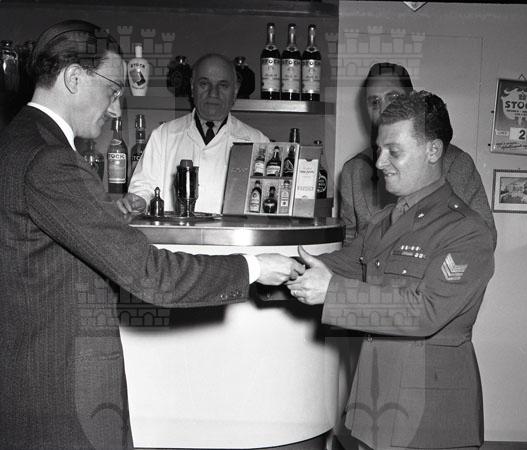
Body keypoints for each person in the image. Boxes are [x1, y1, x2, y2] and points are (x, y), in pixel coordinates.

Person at [0, 20, 303, 449]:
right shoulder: (51, 161)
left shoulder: (17, 141)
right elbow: (150, 274)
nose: (115, 110)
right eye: (112, 90)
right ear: (74, 78)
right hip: (60, 394)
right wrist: (254, 267)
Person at [287, 91, 495, 450]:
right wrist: (277, 268)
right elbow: (349, 264)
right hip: (374, 406)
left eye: (394, 151)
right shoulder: (387, 219)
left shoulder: (467, 231)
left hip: (429, 417)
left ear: (433, 151)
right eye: (379, 149)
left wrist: (331, 291)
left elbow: (425, 311)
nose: (380, 162)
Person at [339, 62, 496, 246]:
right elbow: (347, 241)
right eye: (375, 102)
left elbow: (484, 238)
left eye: (393, 97)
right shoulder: (355, 170)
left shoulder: (455, 163)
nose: (383, 110)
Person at [123, 53, 269, 214]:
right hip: (174, 231)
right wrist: (138, 202)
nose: (213, 93)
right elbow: (142, 189)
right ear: (192, 88)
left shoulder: (258, 142)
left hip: (233, 231)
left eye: (223, 85)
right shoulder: (163, 136)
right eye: (204, 84)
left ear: (235, 91)